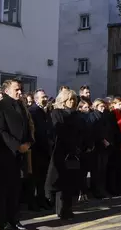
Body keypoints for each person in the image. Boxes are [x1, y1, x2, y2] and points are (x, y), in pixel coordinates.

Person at [0, 80, 33, 230]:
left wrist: (29, 142)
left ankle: (14, 219)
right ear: (7, 91)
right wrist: (17, 146)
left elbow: (27, 126)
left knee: (15, 190)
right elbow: (1, 131)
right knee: (4, 191)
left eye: (21, 89)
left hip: (20, 155)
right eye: (16, 89)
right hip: (6, 154)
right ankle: (4, 223)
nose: (20, 92)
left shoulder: (21, 105)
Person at [46, 88, 82, 219]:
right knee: (60, 181)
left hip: (74, 151)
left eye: (74, 99)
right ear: (63, 100)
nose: (72, 102)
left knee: (71, 181)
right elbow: (57, 130)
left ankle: (68, 208)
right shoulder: (56, 113)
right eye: (70, 99)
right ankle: (61, 209)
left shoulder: (76, 114)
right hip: (61, 151)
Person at [28, 89, 53, 211]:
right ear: (36, 98)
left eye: (46, 96)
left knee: (43, 178)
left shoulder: (45, 111)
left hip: (45, 149)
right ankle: (33, 202)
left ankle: (42, 200)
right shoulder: (33, 111)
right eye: (42, 97)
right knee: (34, 178)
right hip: (36, 149)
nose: (45, 99)